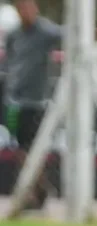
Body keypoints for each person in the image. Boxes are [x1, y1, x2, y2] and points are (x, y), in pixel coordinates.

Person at [2, 0, 61, 212]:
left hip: (36, 101)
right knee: (22, 147)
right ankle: (40, 190)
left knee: (30, 147)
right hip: (15, 100)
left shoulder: (46, 31)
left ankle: (34, 191)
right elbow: (10, 61)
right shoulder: (14, 35)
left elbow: (68, 37)